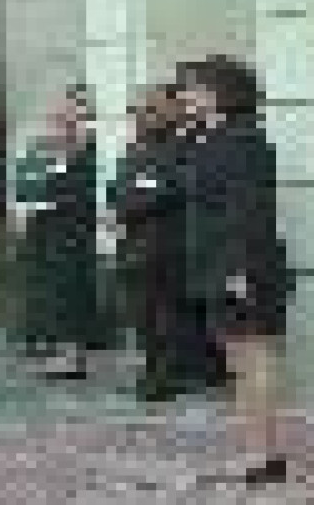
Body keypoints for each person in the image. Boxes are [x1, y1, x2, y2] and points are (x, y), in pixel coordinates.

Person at [119, 55, 294, 485]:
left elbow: (248, 212)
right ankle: (257, 451)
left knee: (255, 356)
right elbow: (171, 183)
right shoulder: (204, 138)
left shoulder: (244, 141)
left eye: (194, 88)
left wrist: (239, 271)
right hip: (215, 265)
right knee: (238, 361)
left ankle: (265, 455)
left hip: (243, 266)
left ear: (219, 93)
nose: (186, 96)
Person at [113, 83, 228, 403]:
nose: (142, 116)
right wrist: (134, 197)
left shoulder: (188, 147)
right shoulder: (135, 149)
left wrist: (137, 196)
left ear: (172, 110)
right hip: (135, 246)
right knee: (143, 316)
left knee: (170, 315)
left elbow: (169, 188)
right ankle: (153, 371)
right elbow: (119, 190)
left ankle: (172, 375)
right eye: (138, 110)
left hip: (171, 246)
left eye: (151, 109)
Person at [15, 85, 103, 378]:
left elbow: (91, 187)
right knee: (47, 288)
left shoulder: (95, 149)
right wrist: (28, 206)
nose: (70, 114)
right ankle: (51, 346)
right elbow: (25, 182)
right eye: (67, 108)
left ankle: (73, 354)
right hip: (42, 226)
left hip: (75, 227)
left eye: (79, 109)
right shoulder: (42, 148)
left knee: (72, 289)